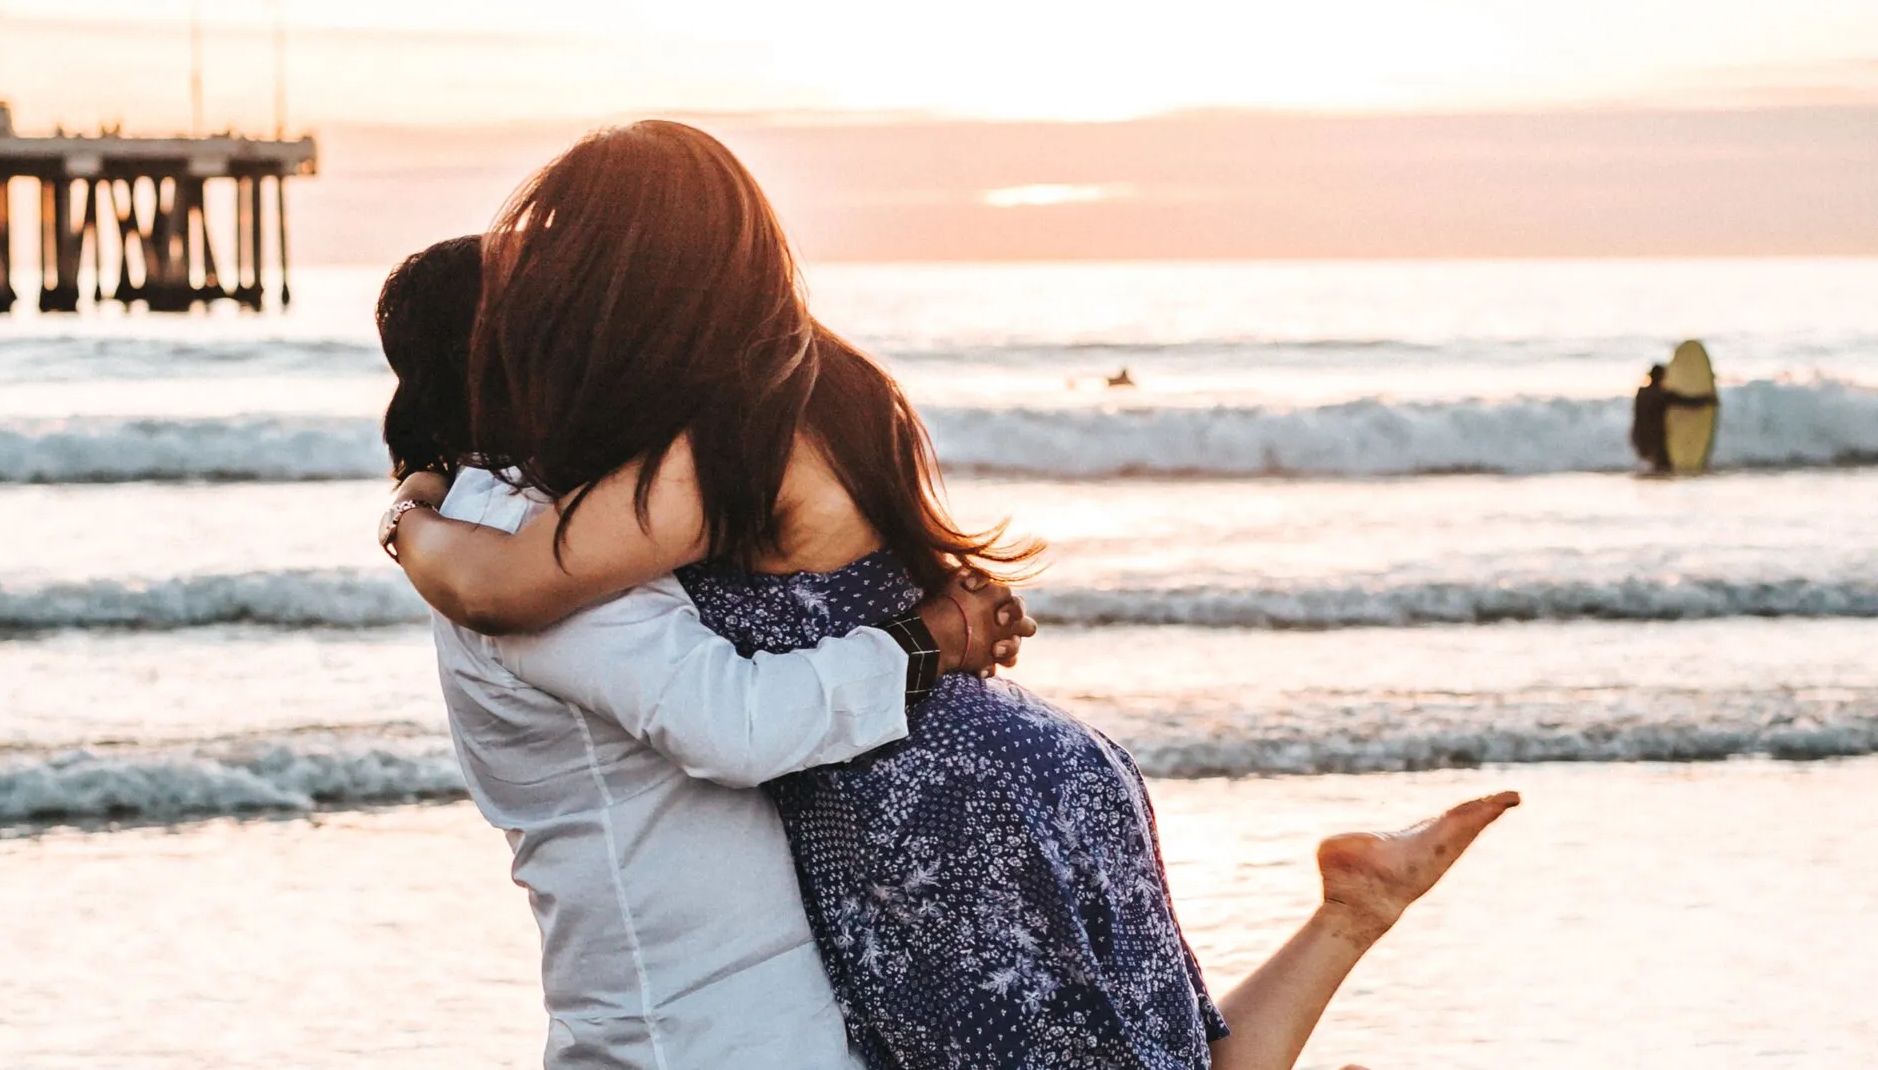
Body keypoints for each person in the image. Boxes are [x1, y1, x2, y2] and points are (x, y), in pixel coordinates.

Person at [387, 121, 1519, 1070]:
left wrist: (407, 520)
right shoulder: (820, 377)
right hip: (1012, 760)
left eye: (576, 263)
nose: (559, 298)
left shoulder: (713, 438)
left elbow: (504, 586)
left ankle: (1351, 918)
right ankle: (1350, 914)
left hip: (921, 806)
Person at [375, 235, 1037, 1068]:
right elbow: (734, 725)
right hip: (702, 1022)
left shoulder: (526, 516)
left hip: (698, 1003)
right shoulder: (512, 523)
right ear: (517, 347)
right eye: (564, 306)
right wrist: (927, 641)